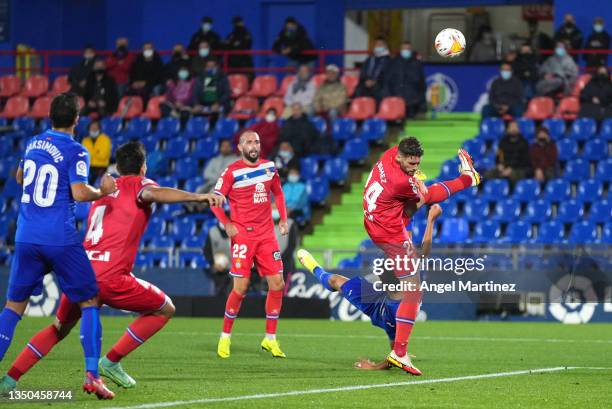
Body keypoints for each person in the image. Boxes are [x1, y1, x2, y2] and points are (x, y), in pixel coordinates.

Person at [0, 141, 223, 393]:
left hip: (79, 272)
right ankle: (111, 362)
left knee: (58, 328)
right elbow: (154, 194)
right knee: (164, 309)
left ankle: (9, 379)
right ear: (143, 167)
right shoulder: (140, 185)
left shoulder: (104, 191)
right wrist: (199, 196)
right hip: (110, 277)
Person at [0, 93, 117, 399]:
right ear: (77, 120)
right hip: (59, 237)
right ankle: (92, 375)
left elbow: (20, 176)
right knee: (90, 301)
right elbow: (79, 193)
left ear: (50, 116)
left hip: (26, 235)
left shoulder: (34, 143)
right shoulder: (77, 151)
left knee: (13, 308)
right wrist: (102, 191)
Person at [362, 138, 480, 375]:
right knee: (413, 291)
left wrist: (415, 178)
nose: (414, 166)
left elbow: (413, 192)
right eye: (411, 163)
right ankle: (400, 353)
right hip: (390, 234)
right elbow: (429, 195)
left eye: (417, 163)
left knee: (408, 209)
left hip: (375, 219)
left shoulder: (389, 154)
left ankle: (399, 350)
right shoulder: (400, 182)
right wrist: (461, 181)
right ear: (400, 157)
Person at [297, 203, 442, 370]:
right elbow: (423, 250)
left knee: (396, 348)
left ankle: (402, 350)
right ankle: (316, 269)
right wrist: (430, 220)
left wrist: (373, 367)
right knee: (336, 281)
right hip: (380, 296)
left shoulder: (401, 310)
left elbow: (392, 360)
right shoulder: (407, 267)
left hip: (382, 312)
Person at [212, 131, 289, 359]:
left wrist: (283, 218)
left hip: (267, 235)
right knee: (241, 288)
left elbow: (278, 193)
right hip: (243, 236)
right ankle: (225, 337)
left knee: (277, 284)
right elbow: (215, 201)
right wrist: (226, 223)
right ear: (240, 147)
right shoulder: (231, 172)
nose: (254, 145)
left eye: (256, 141)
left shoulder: (269, 167)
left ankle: (270, 338)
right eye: (249, 142)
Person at [387, 41, 426, 117]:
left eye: (408, 49)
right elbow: (388, 81)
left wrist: (418, 99)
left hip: (412, 101)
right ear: (400, 50)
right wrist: (391, 96)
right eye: (404, 49)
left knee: (411, 123)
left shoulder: (417, 63)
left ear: (411, 50)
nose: (406, 51)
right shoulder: (393, 62)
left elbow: (422, 84)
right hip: (397, 99)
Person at [355, 37, 392, 102]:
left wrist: (375, 82)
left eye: (381, 45)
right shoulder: (369, 59)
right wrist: (366, 81)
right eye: (377, 45)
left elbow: (388, 77)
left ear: (385, 46)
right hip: (366, 86)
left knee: (380, 93)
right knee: (359, 91)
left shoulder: (389, 61)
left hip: (380, 87)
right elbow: (363, 73)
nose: (378, 47)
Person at [204, 217, 232, 296]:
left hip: (233, 273)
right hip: (217, 274)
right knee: (216, 299)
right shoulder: (213, 232)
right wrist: (213, 263)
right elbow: (207, 251)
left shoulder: (235, 231)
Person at [272, 203, 298, 282]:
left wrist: (278, 260)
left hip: (286, 265)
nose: (274, 211)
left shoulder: (290, 224)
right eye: (272, 209)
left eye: (276, 209)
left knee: (282, 290)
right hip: (269, 266)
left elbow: (291, 246)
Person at [82, 120, 112, 185]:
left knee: (96, 184)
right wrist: (96, 152)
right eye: (92, 128)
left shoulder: (105, 139)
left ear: (99, 129)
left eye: (96, 128)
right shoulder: (85, 140)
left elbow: (103, 156)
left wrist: (90, 153)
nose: (94, 130)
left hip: (101, 168)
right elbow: (83, 156)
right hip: (88, 167)